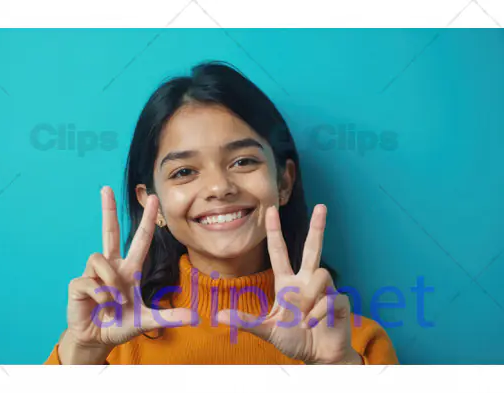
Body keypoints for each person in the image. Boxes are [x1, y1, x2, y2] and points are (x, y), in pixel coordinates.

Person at [44, 61, 399, 365]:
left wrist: (337, 370)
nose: (219, 187)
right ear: (152, 204)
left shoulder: (353, 346)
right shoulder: (107, 342)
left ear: (285, 182)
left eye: (243, 161)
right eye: (184, 171)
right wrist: (81, 353)